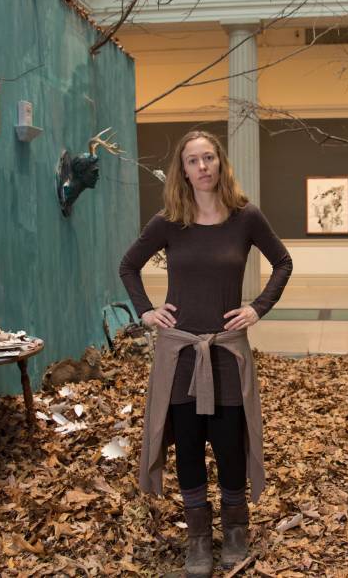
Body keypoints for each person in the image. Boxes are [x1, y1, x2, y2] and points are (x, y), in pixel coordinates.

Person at [119, 131, 292, 576]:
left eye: (209, 157)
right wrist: (146, 312)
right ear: (183, 170)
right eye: (193, 160)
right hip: (179, 352)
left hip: (226, 352)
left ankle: (236, 528)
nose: (202, 167)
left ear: (220, 163)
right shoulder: (168, 222)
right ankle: (197, 535)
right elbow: (128, 265)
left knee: (230, 442)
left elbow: (283, 261)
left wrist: (257, 308)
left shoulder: (245, 217)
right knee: (190, 443)